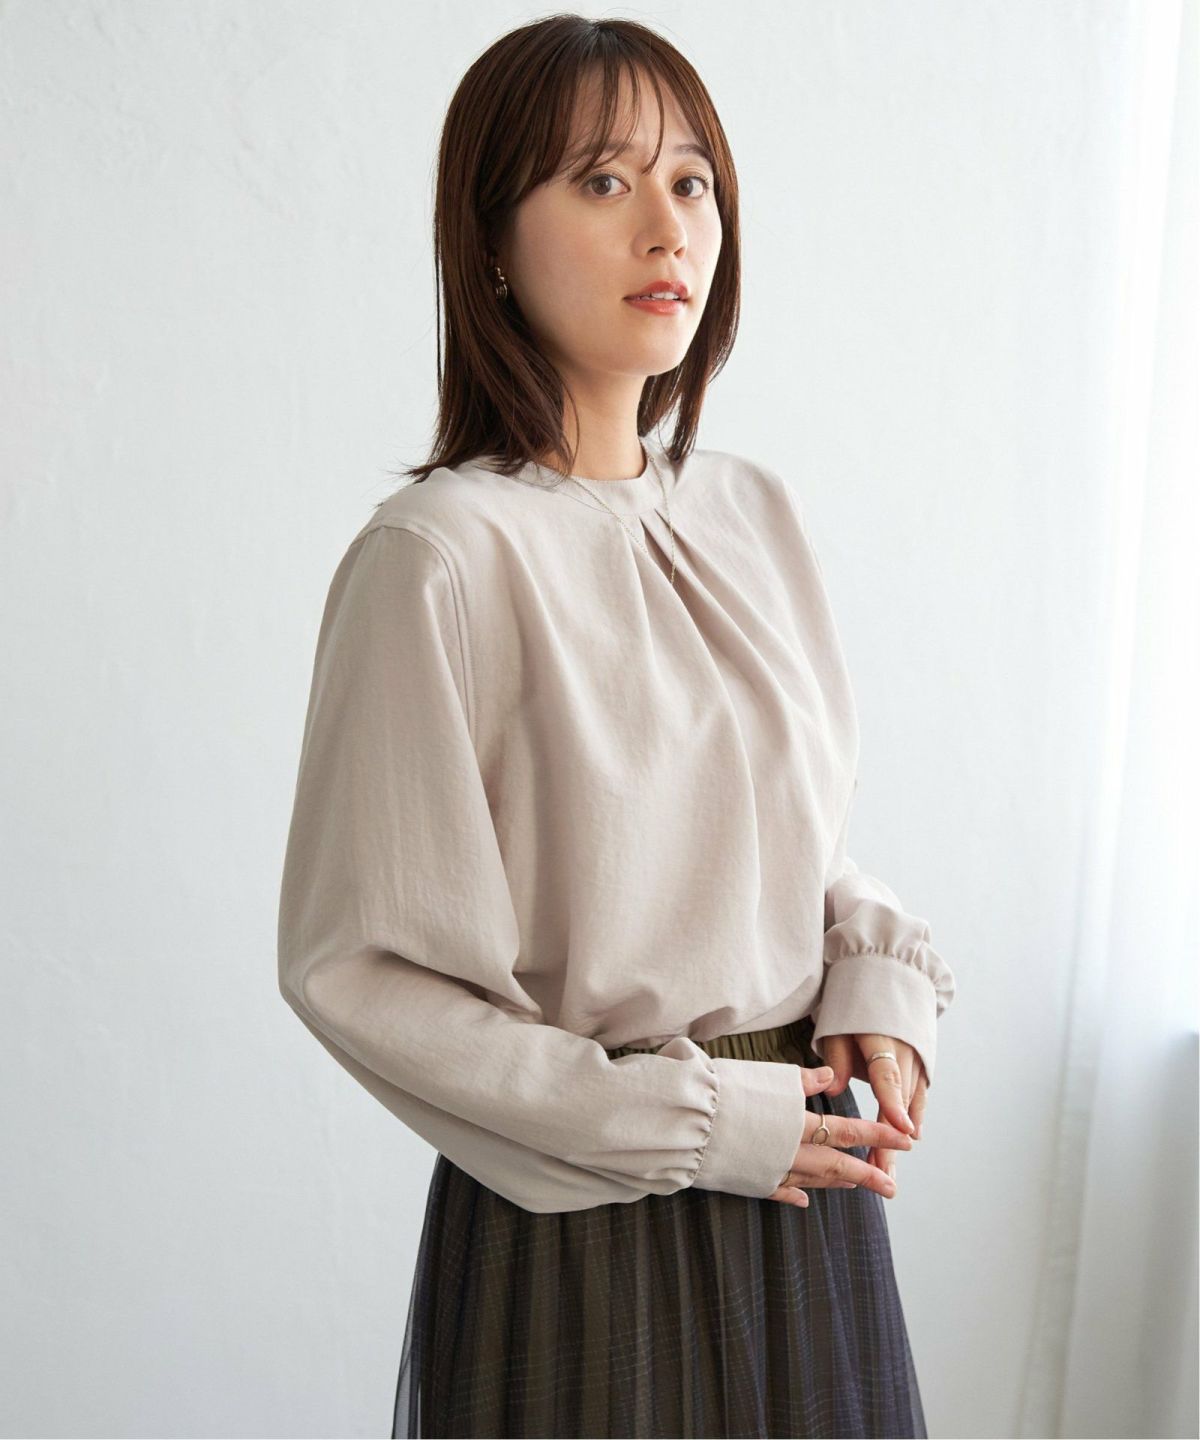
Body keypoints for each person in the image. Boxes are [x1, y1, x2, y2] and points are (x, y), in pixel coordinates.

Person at [276, 14, 956, 1439]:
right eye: (602, 181)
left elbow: (777, 840)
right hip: (587, 1214)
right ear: (490, 243)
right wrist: (693, 1124)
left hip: (806, 1177)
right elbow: (359, 969)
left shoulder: (750, 512)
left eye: (692, 181)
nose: (668, 227)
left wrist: (874, 986)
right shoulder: (439, 557)